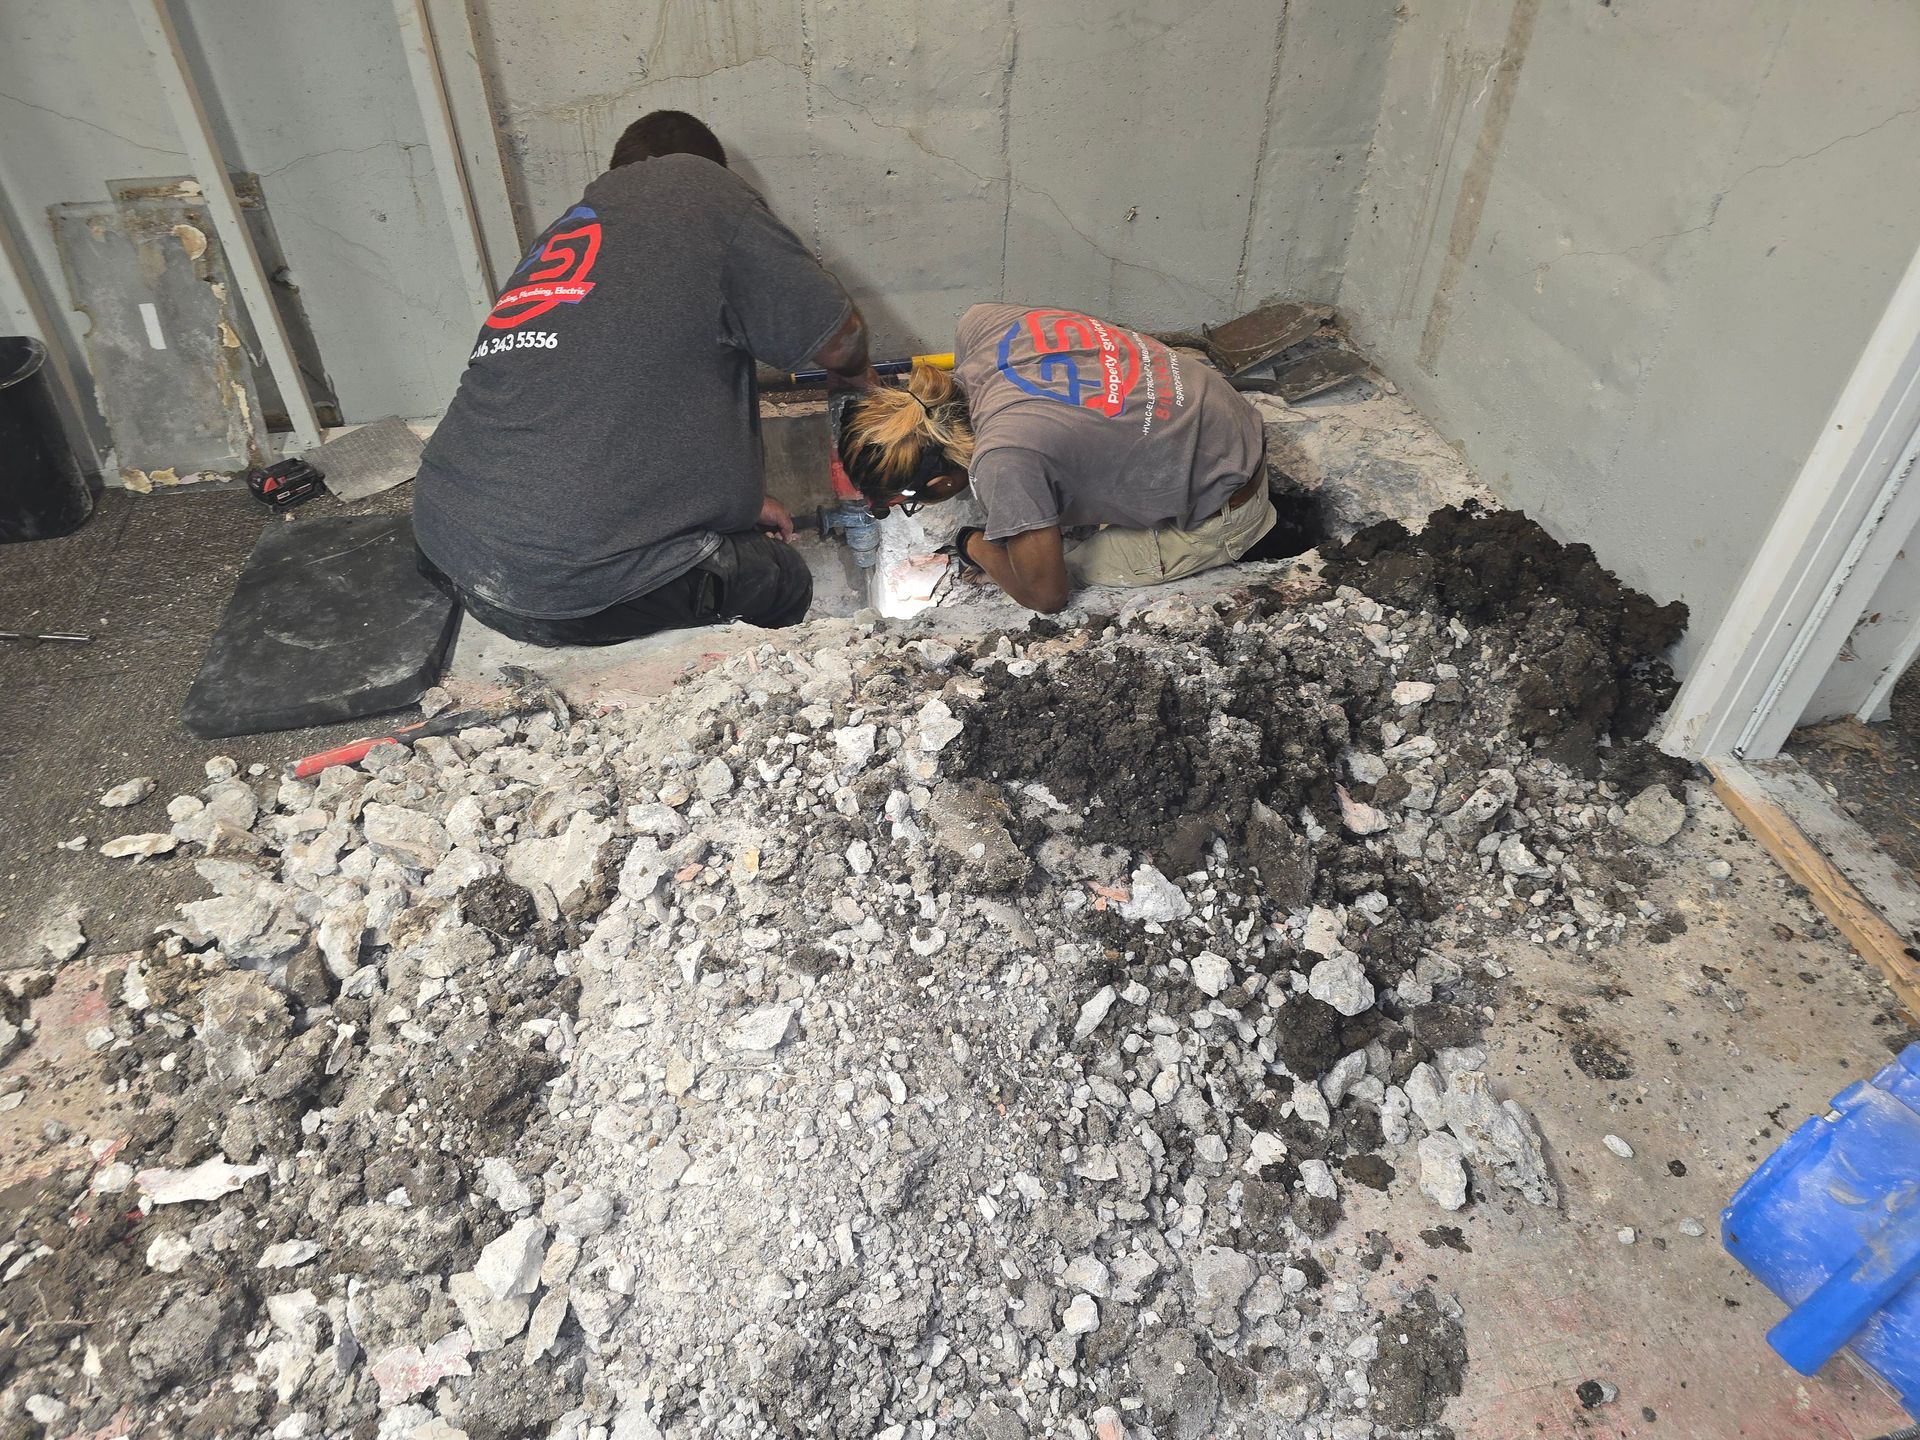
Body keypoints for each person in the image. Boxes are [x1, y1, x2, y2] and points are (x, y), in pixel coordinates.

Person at [412, 110, 872, 646]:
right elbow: (840, 339)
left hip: (445, 542)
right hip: (558, 591)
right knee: (781, 579)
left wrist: (741, 506)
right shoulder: (700, 188)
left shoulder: (576, 230)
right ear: (708, 168)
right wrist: (857, 384)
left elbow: (613, 418)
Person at [836, 304, 1273, 613]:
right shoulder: (981, 325)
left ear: (937, 482)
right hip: (1221, 415)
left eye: (911, 499)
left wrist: (976, 544)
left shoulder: (1004, 461)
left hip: (1227, 503)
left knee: (1071, 565)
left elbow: (1046, 596)